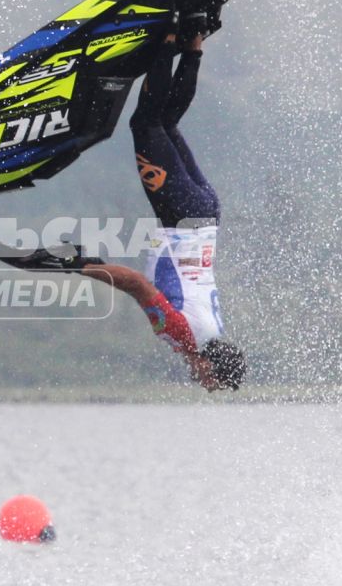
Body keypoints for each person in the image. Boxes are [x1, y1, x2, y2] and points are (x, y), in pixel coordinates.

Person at [79, 26, 247, 391]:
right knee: (145, 123)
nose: (204, 386)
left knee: (166, 123)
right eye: (211, 383)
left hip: (205, 214)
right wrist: (83, 267)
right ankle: (169, 34)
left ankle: (193, 39)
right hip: (180, 213)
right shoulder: (184, 335)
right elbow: (137, 285)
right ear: (211, 367)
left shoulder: (213, 333)